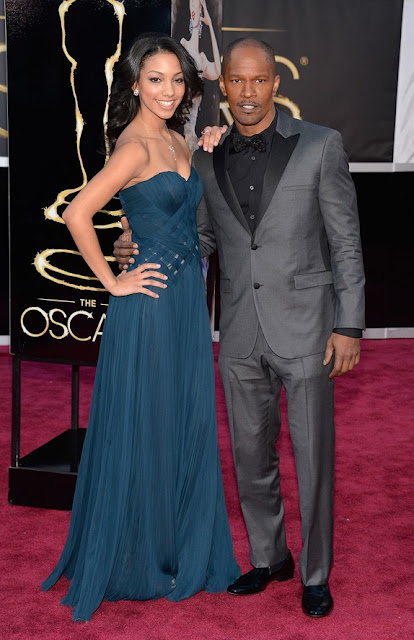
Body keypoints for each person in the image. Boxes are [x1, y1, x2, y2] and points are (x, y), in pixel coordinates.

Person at [114, 37, 366, 618]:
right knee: (251, 457)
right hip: (239, 332)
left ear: (275, 83)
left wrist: (349, 325)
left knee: (312, 459)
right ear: (223, 87)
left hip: (308, 330)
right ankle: (269, 557)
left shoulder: (320, 145)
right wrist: (141, 247)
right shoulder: (207, 156)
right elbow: (202, 237)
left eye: (258, 80)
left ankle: (316, 573)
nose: (247, 92)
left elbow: (346, 242)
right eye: (236, 81)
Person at [41, 32, 240, 622]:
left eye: (177, 80)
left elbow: (179, 207)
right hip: (149, 304)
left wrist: (207, 145)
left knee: (182, 417)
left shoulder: (176, 138)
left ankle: (176, 545)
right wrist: (112, 281)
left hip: (186, 301)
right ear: (134, 84)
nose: (168, 90)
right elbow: (77, 212)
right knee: (149, 420)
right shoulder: (132, 146)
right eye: (156, 80)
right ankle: (143, 553)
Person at [179, 0, 222, 153]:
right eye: (191, 5)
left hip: (194, 140)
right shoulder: (182, 45)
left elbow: (217, 71)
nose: (193, 10)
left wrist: (210, 26)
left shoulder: (202, 59)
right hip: (179, 137)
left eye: (197, 5)